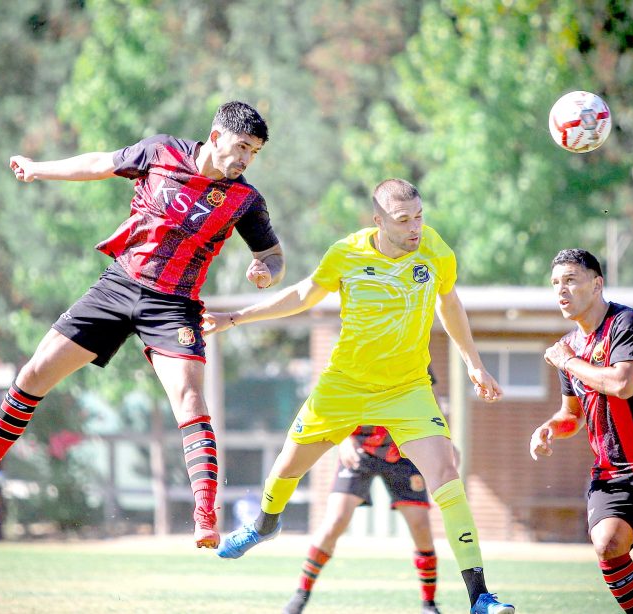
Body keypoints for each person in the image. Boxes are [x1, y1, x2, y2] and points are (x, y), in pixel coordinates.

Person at [0, 101, 285, 549]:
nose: (246, 159)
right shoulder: (160, 152)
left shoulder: (244, 200)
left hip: (173, 305)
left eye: (254, 153)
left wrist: (266, 271)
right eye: (242, 147)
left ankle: (205, 514)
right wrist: (38, 169)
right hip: (118, 286)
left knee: (190, 398)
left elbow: (272, 255)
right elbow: (99, 162)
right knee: (34, 373)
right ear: (215, 136)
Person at [204, 178, 514, 613]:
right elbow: (301, 296)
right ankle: (264, 526)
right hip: (344, 387)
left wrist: (474, 364)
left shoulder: (435, 249)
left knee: (446, 475)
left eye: (420, 217)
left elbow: (450, 303)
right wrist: (235, 317)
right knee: (287, 467)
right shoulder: (346, 253)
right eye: (404, 220)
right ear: (378, 221)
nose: (415, 228)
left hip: (407, 388)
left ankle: (479, 596)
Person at [529, 248, 633, 614]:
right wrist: (551, 427)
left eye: (570, 280)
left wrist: (569, 362)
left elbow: (623, 384)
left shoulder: (626, 323)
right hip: (612, 470)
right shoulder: (569, 346)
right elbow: (573, 414)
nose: (561, 291)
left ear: (597, 283)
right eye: (555, 283)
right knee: (607, 543)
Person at [283, 425, 444, 614]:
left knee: (421, 526)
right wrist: (342, 439)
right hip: (359, 447)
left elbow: (429, 408)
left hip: (402, 450)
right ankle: (301, 595)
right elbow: (334, 406)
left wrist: (444, 443)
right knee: (335, 521)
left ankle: (429, 604)